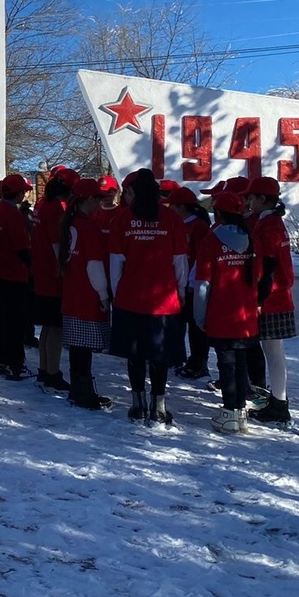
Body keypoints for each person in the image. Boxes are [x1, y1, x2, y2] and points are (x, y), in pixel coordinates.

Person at [108, 169, 188, 424]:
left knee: (135, 354)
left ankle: (138, 403)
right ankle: (159, 406)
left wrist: (116, 292)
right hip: (164, 301)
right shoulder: (172, 219)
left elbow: (115, 262)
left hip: (130, 298)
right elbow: (180, 262)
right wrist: (181, 291)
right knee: (160, 356)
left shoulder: (123, 219)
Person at [192, 191, 260, 433]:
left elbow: (203, 283)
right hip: (246, 315)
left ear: (218, 213)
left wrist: (199, 315)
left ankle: (230, 411)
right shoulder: (251, 239)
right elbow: (258, 277)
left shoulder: (211, 241)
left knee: (226, 363)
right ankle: (240, 409)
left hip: (220, 313)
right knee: (240, 362)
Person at [246, 176, 297, 426]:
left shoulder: (267, 226)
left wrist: (258, 299)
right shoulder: (274, 222)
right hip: (279, 295)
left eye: (251, 197)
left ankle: (279, 403)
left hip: (271, 298)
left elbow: (266, 267)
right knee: (275, 352)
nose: (248, 202)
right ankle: (278, 401)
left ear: (262, 199)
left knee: (273, 353)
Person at [58, 178, 113, 410]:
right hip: (88, 293)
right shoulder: (88, 227)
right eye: (99, 199)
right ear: (89, 199)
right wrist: (103, 294)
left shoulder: (69, 223)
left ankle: (79, 389)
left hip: (72, 291)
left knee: (78, 348)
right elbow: (94, 264)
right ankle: (83, 392)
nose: (101, 203)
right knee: (85, 348)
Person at [31, 167, 76, 392]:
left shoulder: (41, 205)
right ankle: (52, 373)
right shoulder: (58, 209)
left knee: (48, 327)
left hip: (41, 270)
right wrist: (64, 267)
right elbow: (58, 243)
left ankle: (43, 369)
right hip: (53, 274)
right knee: (56, 327)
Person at [0, 174, 32, 381]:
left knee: (3, 317)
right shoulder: (12, 214)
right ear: (19, 193)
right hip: (12, 272)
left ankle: (2, 359)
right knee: (15, 321)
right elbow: (21, 246)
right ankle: (15, 364)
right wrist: (33, 266)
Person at [167, 187, 213, 379]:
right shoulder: (177, 225)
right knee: (178, 324)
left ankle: (198, 362)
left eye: (173, 206)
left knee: (196, 327)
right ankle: (180, 357)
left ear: (182, 207)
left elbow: (201, 256)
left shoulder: (199, 226)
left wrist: (192, 282)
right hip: (179, 282)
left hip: (193, 282)